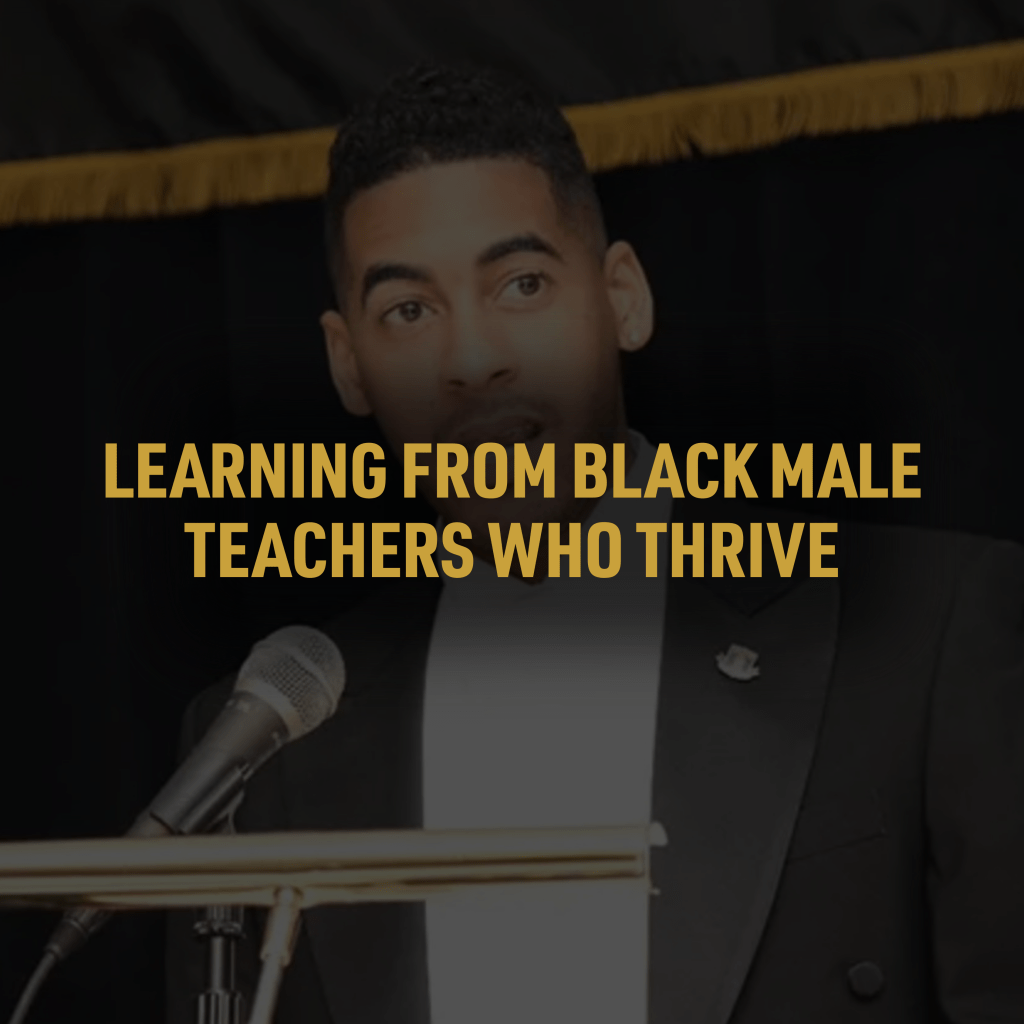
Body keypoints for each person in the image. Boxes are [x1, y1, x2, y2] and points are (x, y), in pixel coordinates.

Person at [166, 63, 1024, 1024]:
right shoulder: (261, 750)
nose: (471, 359)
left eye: (521, 284)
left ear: (623, 298)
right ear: (348, 364)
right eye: (409, 310)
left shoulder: (928, 631)